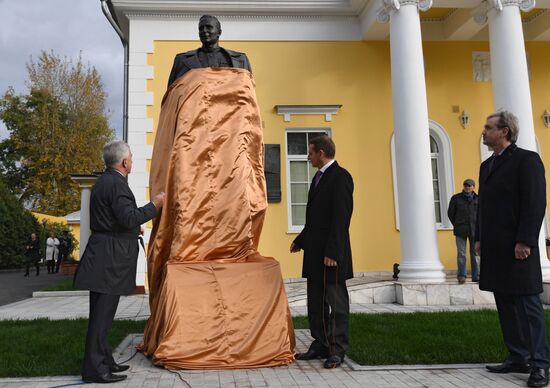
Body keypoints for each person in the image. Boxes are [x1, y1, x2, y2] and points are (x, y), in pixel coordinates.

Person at [73, 140, 165, 384]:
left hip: (105, 255)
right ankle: (94, 369)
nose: (132, 161)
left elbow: (117, 220)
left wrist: (133, 228)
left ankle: (104, 361)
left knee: (104, 316)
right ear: (124, 162)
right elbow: (127, 217)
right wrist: (154, 205)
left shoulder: (107, 181)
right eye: (132, 158)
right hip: (108, 260)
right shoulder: (116, 185)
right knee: (101, 318)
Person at [475, 111, 549, 388]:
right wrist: (479, 237)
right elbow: (484, 206)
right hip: (495, 248)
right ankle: (518, 356)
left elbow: (535, 203)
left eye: (488, 127)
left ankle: (540, 364)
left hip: (519, 247)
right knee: (504, 302)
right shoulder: (487, 166)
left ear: (504, 131)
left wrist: (526, 240)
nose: (484, 131)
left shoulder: (526, 160)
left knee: (528, 306)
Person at [290, 135, 354, 369]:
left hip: (331, 256)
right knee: (315, 302)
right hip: (315, 254)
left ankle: (337, 350)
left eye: (310, 152)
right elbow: (315, 218)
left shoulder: (340, 177)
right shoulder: (318, 178)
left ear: (322, 153)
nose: (307, 157)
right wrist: (301, 240)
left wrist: (334, 252)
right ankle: (320, 343)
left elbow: (341, 218)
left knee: (336, 303)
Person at [166, 14, 251, 88]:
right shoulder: (182, 60)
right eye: (201, 28)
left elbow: (248, 92)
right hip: (195, 105)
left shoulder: (240, 60)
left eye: (209, 27)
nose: (204, 31)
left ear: (219, 32)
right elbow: (172, 94)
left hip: (229, 105)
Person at [447, 179, 479, 283]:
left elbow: (482, 215)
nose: (467, 187)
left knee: (475, 253)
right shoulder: (456, 198)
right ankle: (462, 275)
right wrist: (457, 224)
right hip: (461, 230)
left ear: (474, 187)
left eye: (469, 186)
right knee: (461, 254)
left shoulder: (478, 199)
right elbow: (450, 213)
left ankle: (476, 276)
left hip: (475, 230)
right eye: (465, 185)